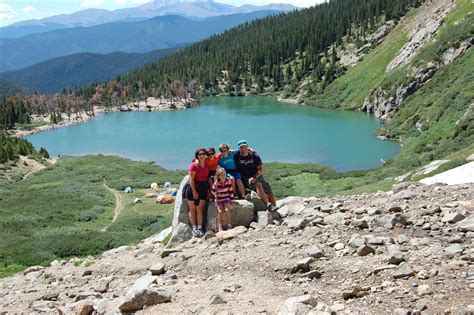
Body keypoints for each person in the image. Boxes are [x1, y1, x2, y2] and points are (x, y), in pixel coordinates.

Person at [233, 140, 278, 212]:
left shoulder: (254, 155)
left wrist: (255, 177)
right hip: (245, 177)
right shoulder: (236, 155)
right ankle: (268, 204)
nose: (243, 148)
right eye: (241, 147)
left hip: (257, 175)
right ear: (239, 148)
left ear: (247, 146)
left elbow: (260, 169)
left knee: (269, 191)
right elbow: (225, 152)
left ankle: (275, 210)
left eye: (245, 146)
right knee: (258, 185)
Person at [184, 148, 209, 237]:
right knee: (193, 209)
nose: (202, 155)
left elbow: (217, 156)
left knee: (200, 209)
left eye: (203, 154)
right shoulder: (194, 165)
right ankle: (194, 228)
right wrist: (194, 191)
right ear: (197, 156)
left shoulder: (206, 163)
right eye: (200, 154)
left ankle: (200, 228)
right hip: (193, 188)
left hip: (203, 188)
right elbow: (191, 180)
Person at [211, 168, 234, 232]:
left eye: (224, 174)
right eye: (221, 175)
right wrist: (215, 195)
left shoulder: (228, 182)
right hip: (219, 199)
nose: (223, 176)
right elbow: (212, 191)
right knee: (220, 211)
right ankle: (220, 226)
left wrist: (231, 200)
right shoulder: (216, 183)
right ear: (218, 176)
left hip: (226, 198)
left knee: (227, 210)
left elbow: (230, 191)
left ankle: (229, 225)